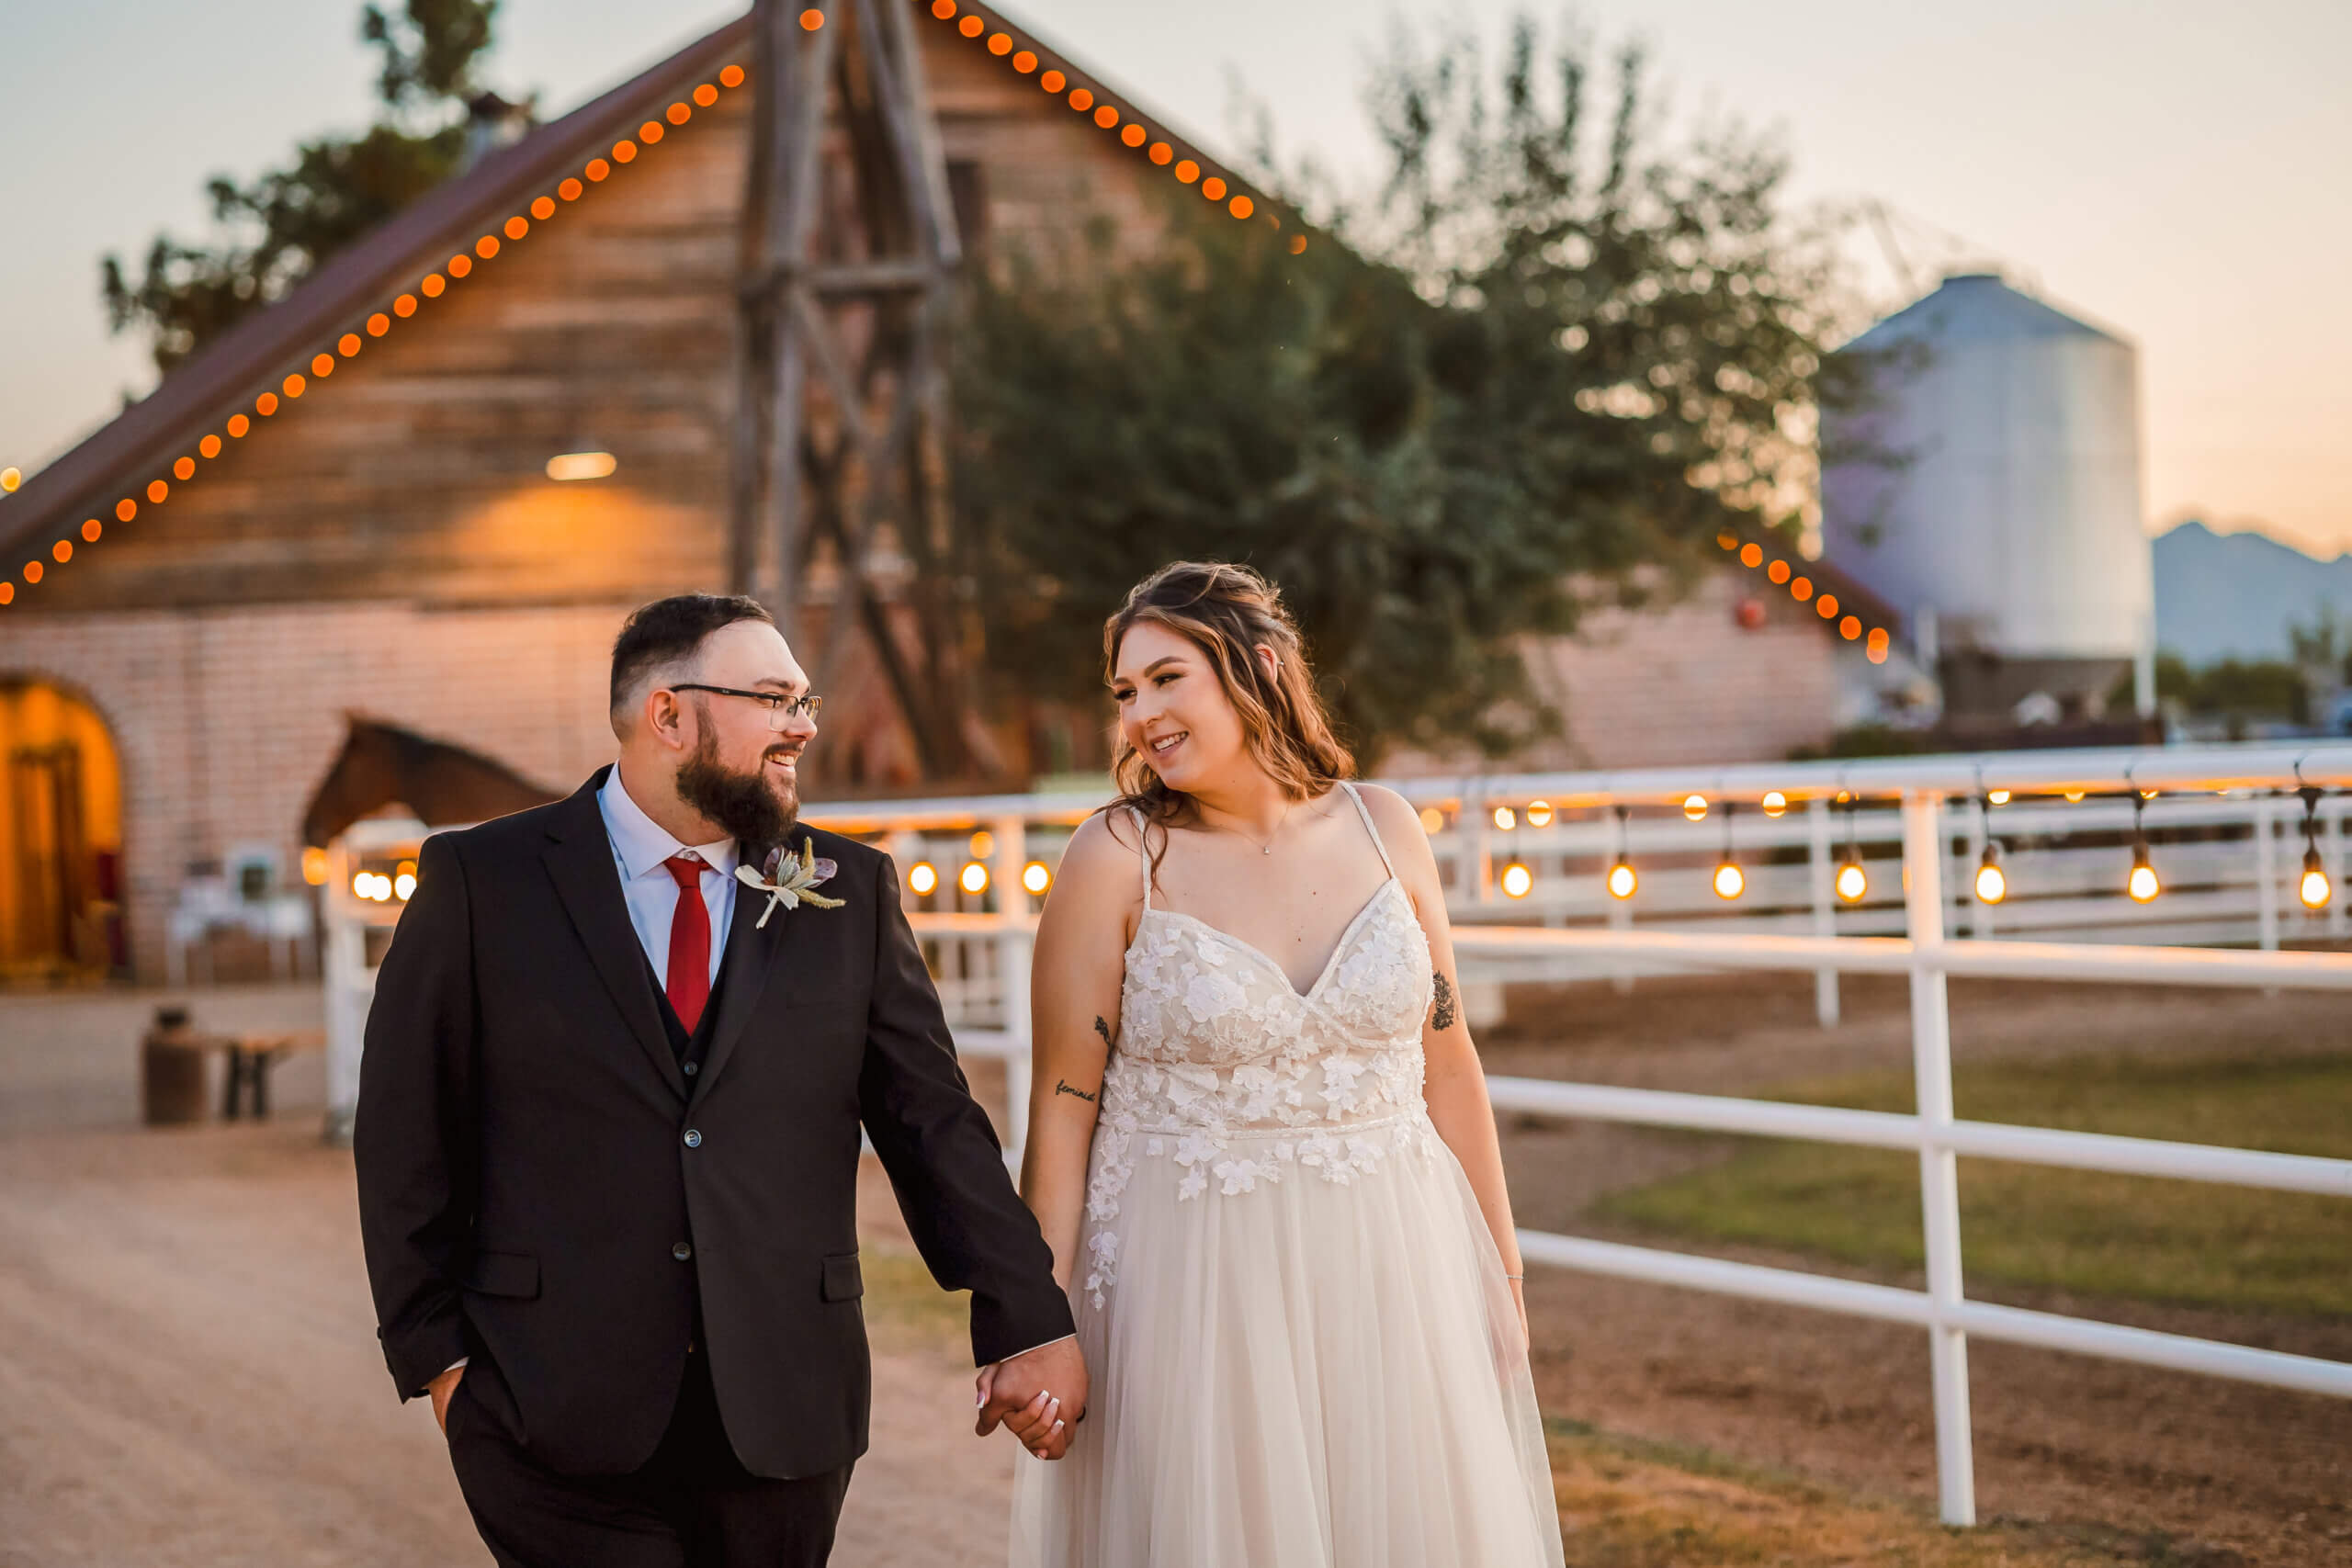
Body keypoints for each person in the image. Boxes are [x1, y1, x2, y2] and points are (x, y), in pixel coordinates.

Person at [356, 593, 1083, 1568]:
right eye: (774, 698)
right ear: (668, 714)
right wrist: (439, 1362)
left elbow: (932, 1126)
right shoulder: (482, 883)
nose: (805, 724)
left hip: (786, 1409)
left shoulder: (847, 892)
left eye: (804, 699)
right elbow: (405, 1131)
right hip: (549, 1412)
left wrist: (1022, 1316)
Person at [1002, 562, 1565, 1565]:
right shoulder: (1113, 856)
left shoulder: (1385, 828)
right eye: (1125, 694)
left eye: (1168, 679)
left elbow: (1449, 1069)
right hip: (1191, 1285)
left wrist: (1502, 1281)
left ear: (1258, 668)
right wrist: (1033, 1322)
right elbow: (1062, 1108)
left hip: (1396, 1266)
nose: (1140, 715)